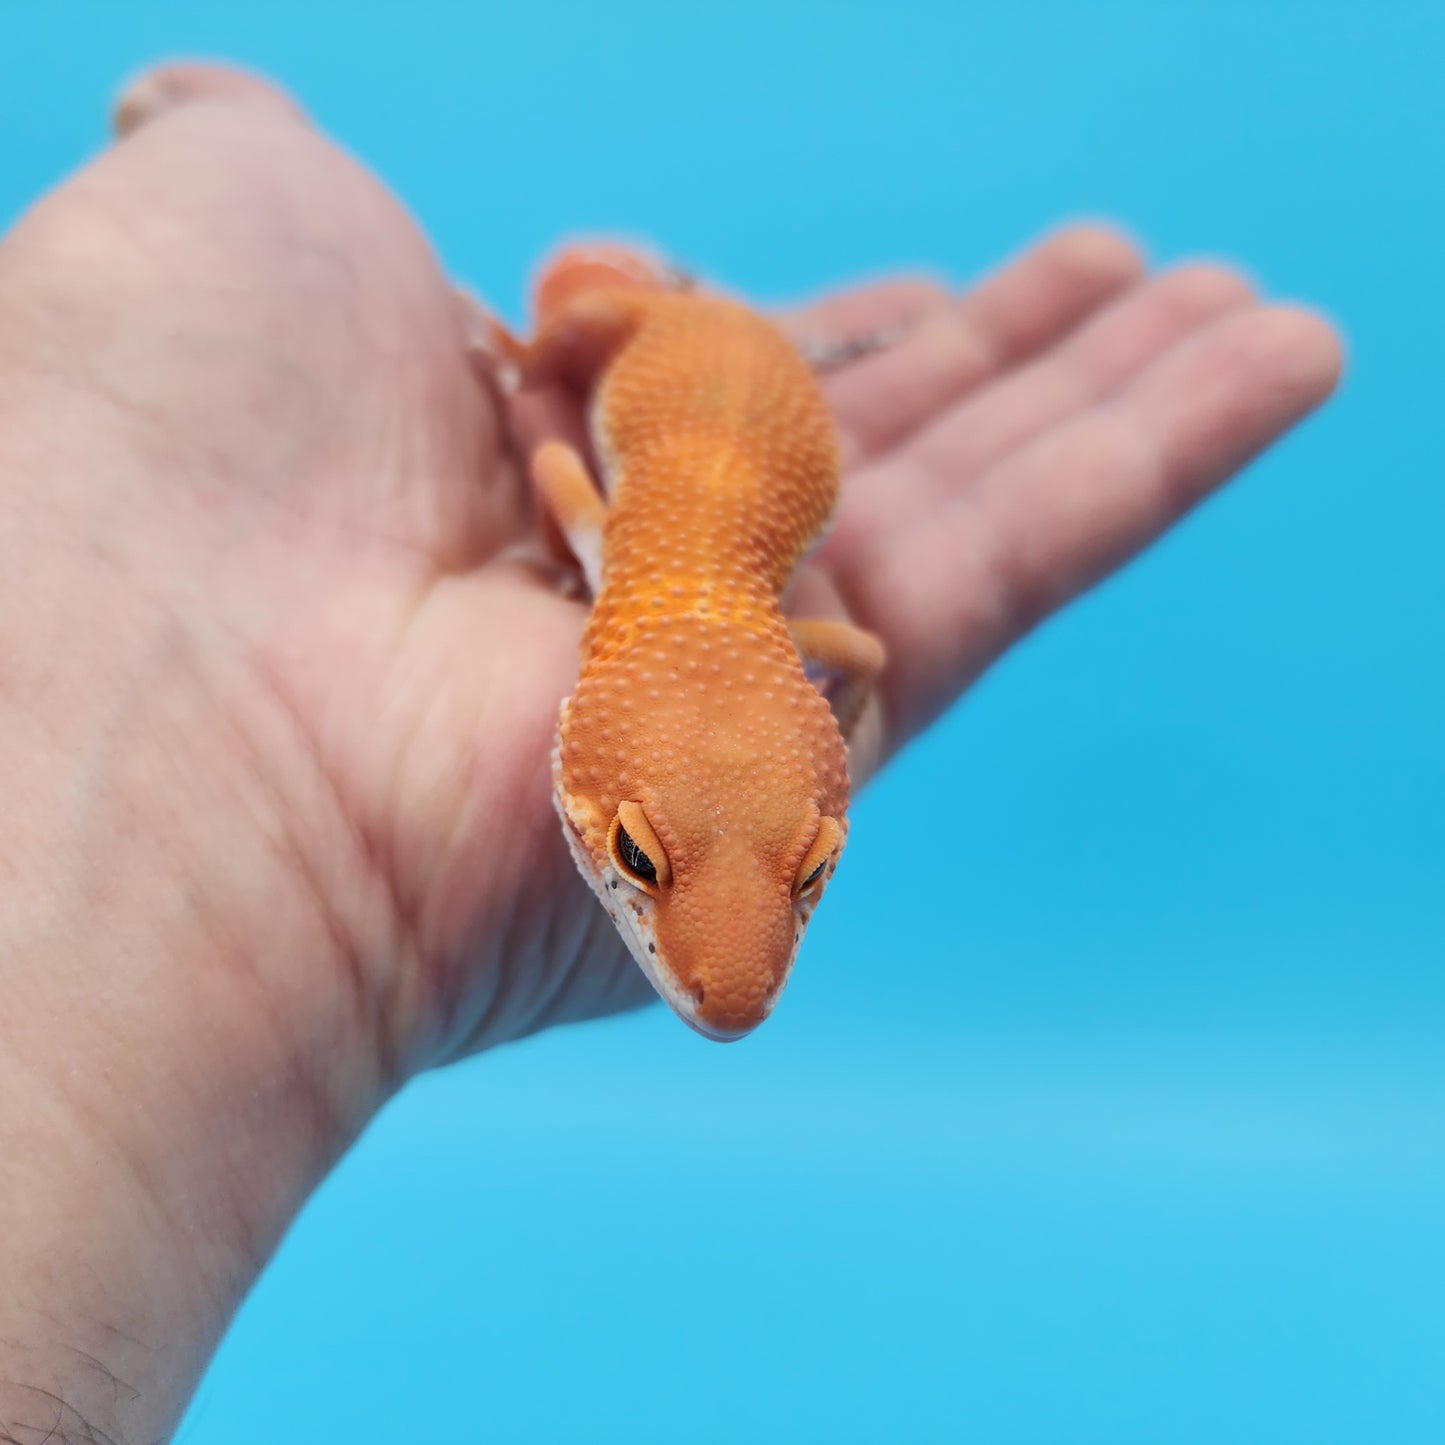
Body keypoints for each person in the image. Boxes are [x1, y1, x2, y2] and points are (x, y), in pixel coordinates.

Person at [0, 61, 1341, 1444]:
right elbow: (619, 515)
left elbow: (803, 638)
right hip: (694, 370)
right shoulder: (611, 544)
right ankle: (651, 313)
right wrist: (564, 346)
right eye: (643, 861)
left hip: (733, 428)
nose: (728, 983)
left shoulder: (627, 569)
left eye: (805, 874)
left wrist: (809, 723)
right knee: (584, 301)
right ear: (580, 745)